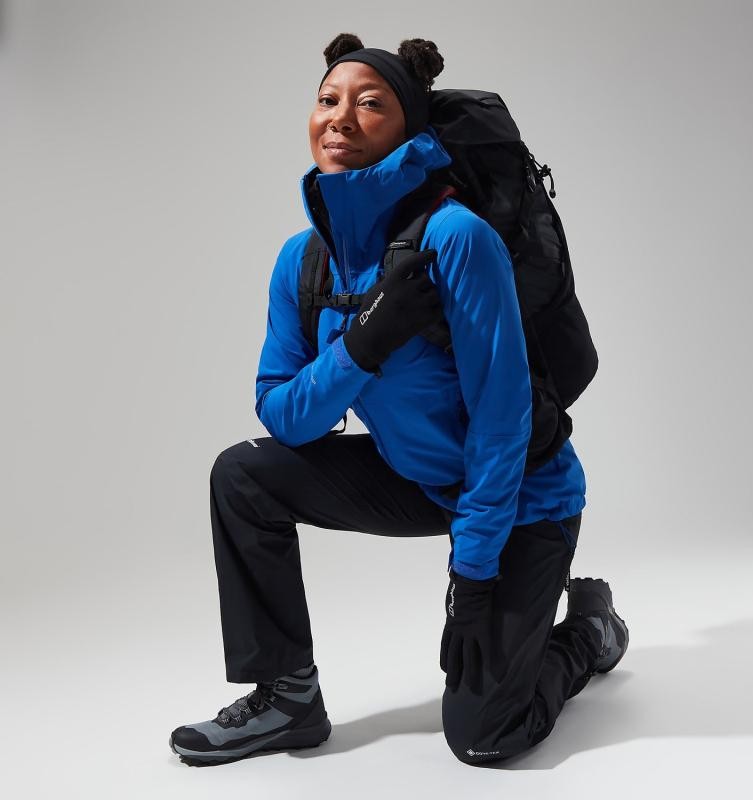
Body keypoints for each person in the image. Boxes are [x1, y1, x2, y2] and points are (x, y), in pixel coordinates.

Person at [169, 32, 629, 768]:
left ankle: (587, 631)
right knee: (243, 475)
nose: (340, 117)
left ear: (409, 126)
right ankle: (287, 698)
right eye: (328, 100)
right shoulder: (303, 260)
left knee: (484, 733)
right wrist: (363, 346)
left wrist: (472, 579)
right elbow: (283, 414)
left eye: (369, 103)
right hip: (415, 478)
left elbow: (502, 422)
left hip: (521, 496)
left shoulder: (458, 239)